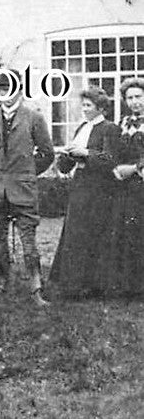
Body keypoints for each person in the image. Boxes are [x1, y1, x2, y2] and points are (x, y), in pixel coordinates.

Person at [0, 70, 54, 305]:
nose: (4, 93)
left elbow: (47, 153)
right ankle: (2, 282)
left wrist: (27, 173)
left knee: (28, 240)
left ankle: (36, 289)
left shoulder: (33, 118)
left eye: (8, 87)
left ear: (18, 88)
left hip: (23, 190)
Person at [48, 87, 122, 299]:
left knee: (94, 235)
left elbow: (110, 159)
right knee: (75, 234)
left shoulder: (110, 129)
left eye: (88, 106)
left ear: (100, 108)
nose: (84, 109)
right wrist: (67, 156)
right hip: (80, 187)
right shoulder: (82, 127)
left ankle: (93, 286)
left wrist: (86, 153)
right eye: (83, 105)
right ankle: (73, 284)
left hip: (100, 190)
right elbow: (67, 164)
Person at [106, 78, 144, 297]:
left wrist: (133, 168)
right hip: (126, 188)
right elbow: (114, 152)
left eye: (138, 96)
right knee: (128, 233)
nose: (134, 102)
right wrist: (115, 168)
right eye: (130, 98)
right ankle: (130, 287)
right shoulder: (124, 123)